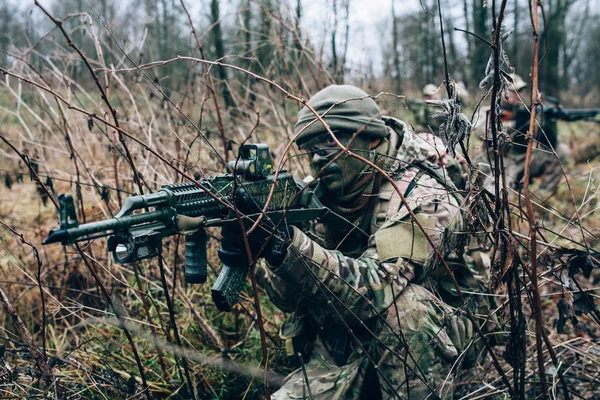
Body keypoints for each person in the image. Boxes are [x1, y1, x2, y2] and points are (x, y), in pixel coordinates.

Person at [219, 85, 490, 399]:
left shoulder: (423, 195)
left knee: (406, 308)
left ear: (372, 139)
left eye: (329, 145)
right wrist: (268, 253)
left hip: (432, 340)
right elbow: (290, 301)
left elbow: (379, 287)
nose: (318, 160)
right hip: (345, 344)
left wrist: (289, 246)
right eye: (310, 151)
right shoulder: (318, 195)